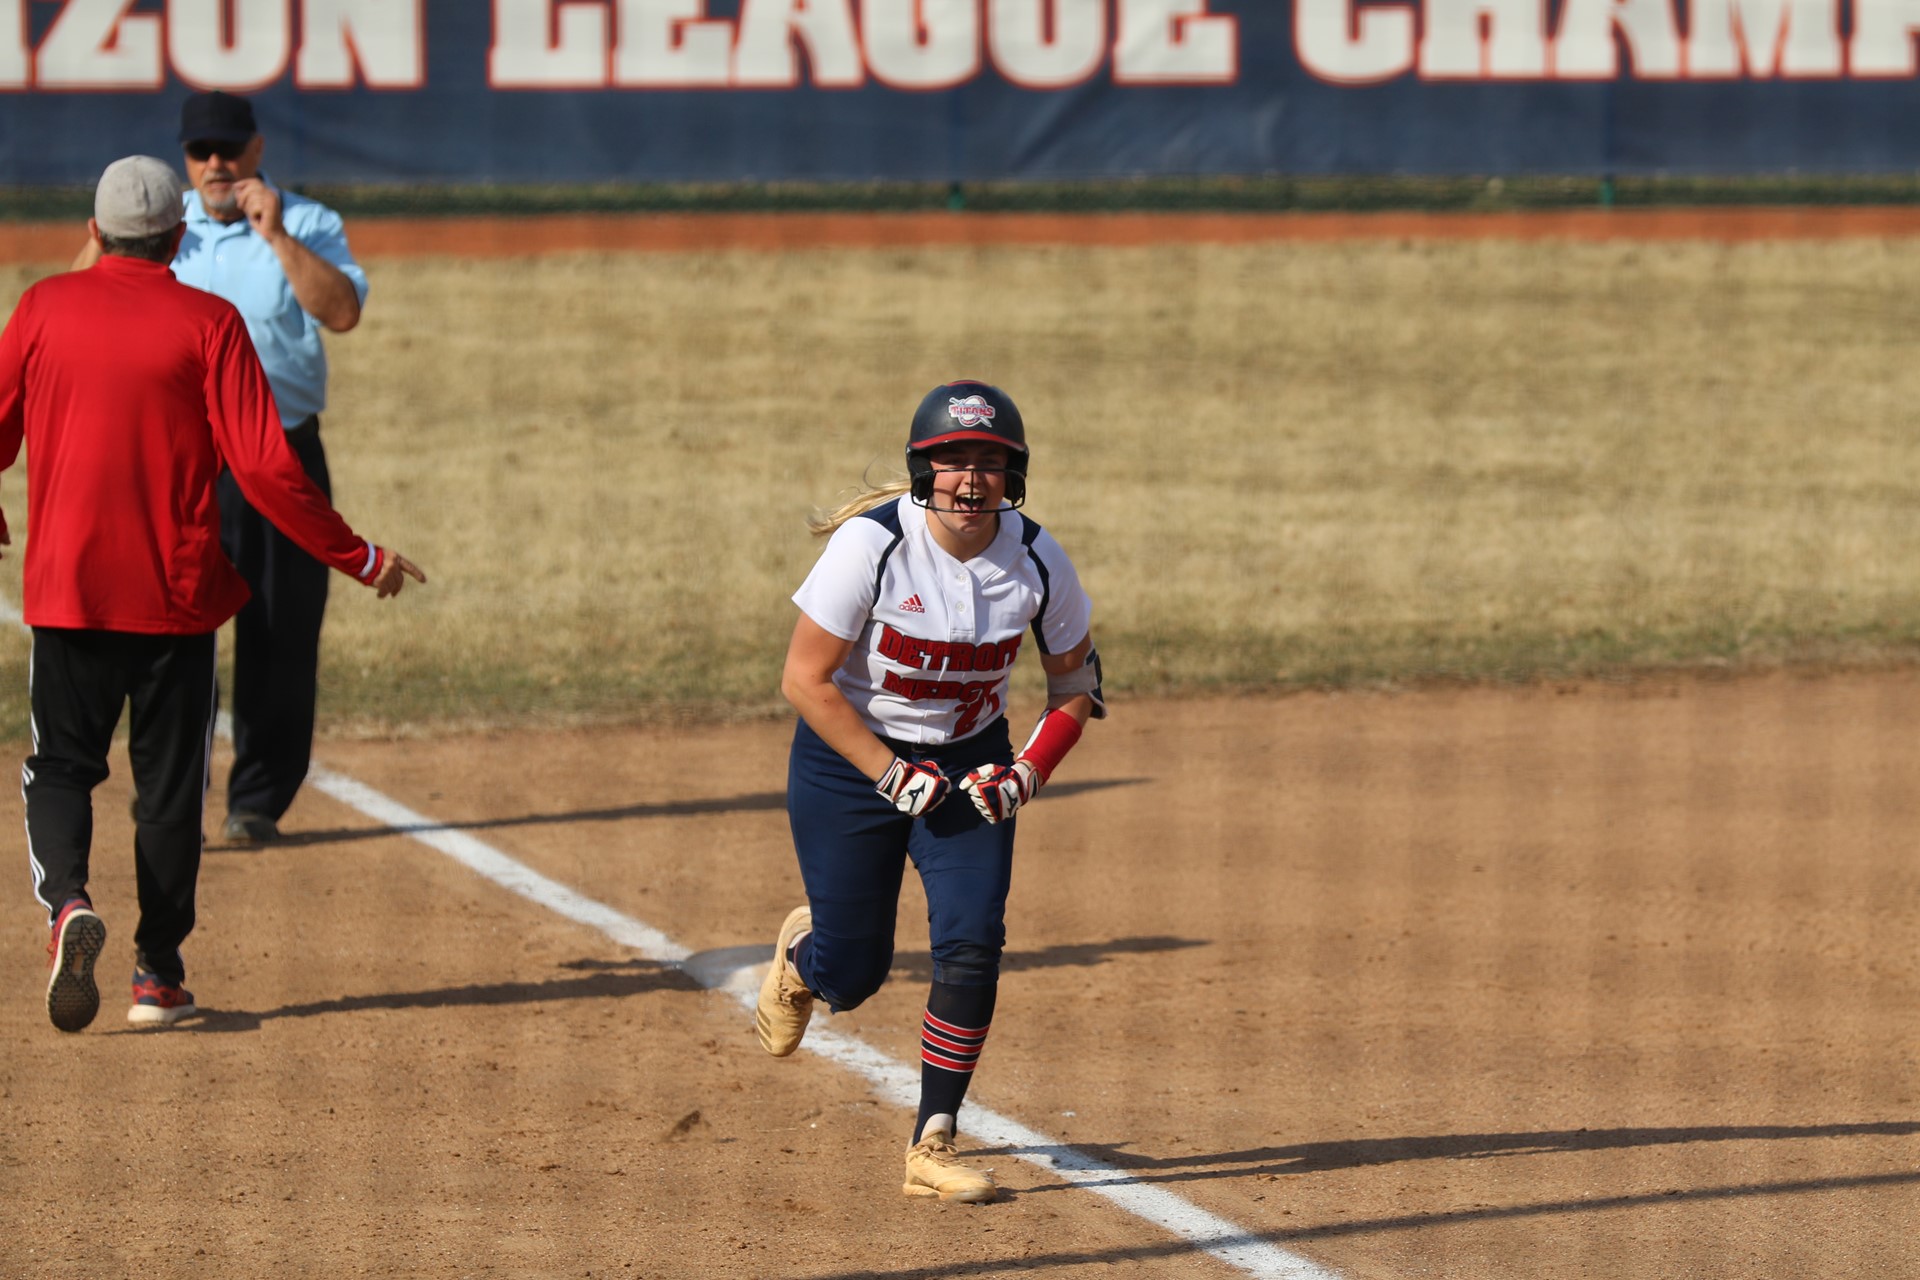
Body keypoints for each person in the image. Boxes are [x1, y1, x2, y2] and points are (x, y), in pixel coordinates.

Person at [5, 156, 425, 1033]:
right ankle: (157, 975)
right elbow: (268, 471)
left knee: (60, 769)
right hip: (176, 602)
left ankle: (69, 908)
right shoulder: (211, 320)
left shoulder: (43, 306)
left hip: (69, 594)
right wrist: (358, 555)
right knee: (168, 792)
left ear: (93, 233)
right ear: (178, 237)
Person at [756, 380, 1106, 1203]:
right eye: (953, 461)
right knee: (856, 974)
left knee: (973, 938)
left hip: (968, 765)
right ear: (923, 470)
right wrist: (887, 773)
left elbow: (1075, 686)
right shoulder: (870, 546)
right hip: (849, 766)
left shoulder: (1036, 556)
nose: (971, 479)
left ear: (1013, 475)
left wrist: (1026, 772)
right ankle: (807, 962)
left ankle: (933, 1140)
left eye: (991, 461)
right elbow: (804, 682)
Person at [74, 90, 369, 845]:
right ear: (183, 157)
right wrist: (108, 239)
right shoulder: (152, 232)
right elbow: (80, 298)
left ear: (258, 150)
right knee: (172, 632)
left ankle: (256, 803)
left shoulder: (306, 223)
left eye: (230, 148)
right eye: (202, 150)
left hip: (278, 455)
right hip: (178, 463)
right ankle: (171, 797)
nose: (217, 164)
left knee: (280, 628)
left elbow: (340, 312)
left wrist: (276, 237)